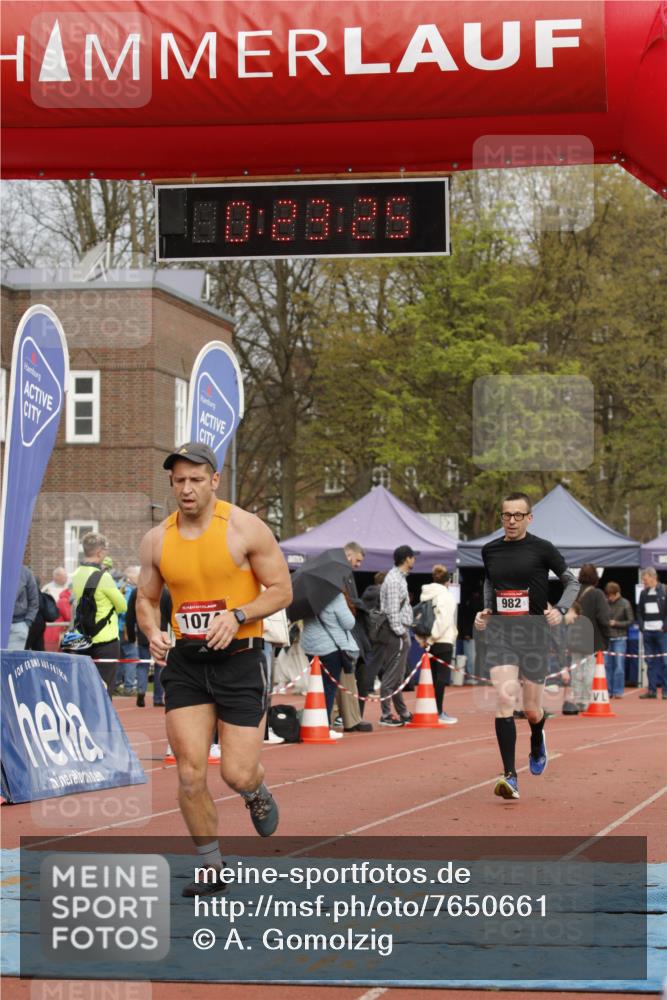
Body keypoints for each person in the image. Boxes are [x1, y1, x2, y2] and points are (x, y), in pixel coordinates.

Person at [136, 442, 292, 896]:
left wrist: (239, 614)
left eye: (196, 480)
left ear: (214, 481)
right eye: (179, 480)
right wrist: (152, 631)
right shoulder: (157, 539)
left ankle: (256, 792)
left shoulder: (244, 528)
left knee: (237, 773)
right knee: (189, 773)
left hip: (240, 660)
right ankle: (211, 867)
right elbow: (146, 598)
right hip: (187, 663)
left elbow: (281, 590)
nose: (187, 489)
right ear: (171, 483)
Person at [475, 492, 579, 800]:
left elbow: (572, 581)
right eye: (506, 515)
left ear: (529, 518)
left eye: (517, 515)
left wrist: (559, 609)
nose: (511, 521)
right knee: (505, 699)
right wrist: (487, 609)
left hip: (534, 634)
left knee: (532, 710)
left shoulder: (542, 549)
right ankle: (510, 776)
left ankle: (537, 738)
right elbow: (490, 582)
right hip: (501, 634)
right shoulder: (489, 550)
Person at [301, 587, 363, 735]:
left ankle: (313, 723)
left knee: (316, 686)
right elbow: (349, 623)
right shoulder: (335, 596)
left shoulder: (305, 596)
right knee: (328, 688)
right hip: (330, 647)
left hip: (310, 646)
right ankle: (324, 725)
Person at [71, 533, 127, 697]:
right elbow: (122, 606)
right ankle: (104, 722)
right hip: (105, 639)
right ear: (100, 552)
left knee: (86, 689)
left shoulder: (76, 574)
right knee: (104, 689)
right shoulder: (104, 577)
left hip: (83, 636)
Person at [378, 545, 417, 727]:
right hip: (396, 632)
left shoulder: (398, 578)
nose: (414, 560)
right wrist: (401, 633)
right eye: (412, 557)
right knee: (392, 674)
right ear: (407, 559)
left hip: (398, 630)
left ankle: (402, 711)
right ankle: (386, 714)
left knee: (397, 675)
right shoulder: (394, 580)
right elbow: (392, 610)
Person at [418, 565, 458, 724]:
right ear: (448, 581)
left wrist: (425, 639)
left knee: (432, 677)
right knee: (441, 678)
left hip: (429, 640)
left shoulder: (426, 594)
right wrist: (433, 637)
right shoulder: (446, 596)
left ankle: (432, 709)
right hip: (442, 640)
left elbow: (420, 616)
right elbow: (444, 620)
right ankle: (438, 711)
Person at [358, 571, 386, 716]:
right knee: (376, 661)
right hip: (378, 631)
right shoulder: (381, 593)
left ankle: (368, 687)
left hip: (367, 631)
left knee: (372, 660)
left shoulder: (368, 592)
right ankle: (368, 688)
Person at [637, 567, 667, 699]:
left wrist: (665, 626)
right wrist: (642, 627)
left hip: (662, 633)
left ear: (653, 577)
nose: (644, 582)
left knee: (665, 662)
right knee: (650, 662)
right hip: (648, 632)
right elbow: (639, 611)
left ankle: (666, 690)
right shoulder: (643, 593)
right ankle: (652, 690)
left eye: (645, 579)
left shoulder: (664, 590)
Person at [604, 581, 634, 698]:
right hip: (608, 638)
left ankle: (618, 691)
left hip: (620, 638)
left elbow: (630, 621)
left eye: (611, 595)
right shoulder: (605, 603)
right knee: (607, 665)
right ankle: (608, 691)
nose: (609, 597)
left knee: (619, 666)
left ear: (617, 593)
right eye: (608, 595)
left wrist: (616, 623)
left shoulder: (625, 603)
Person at [8, 566, 39, 650]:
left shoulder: (26, 573)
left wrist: (27, 622)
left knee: (13, 660)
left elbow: (34, 600)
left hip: (18, 624)